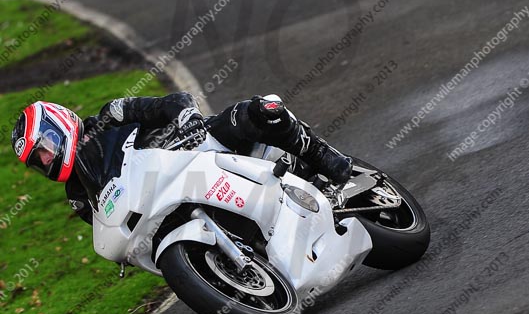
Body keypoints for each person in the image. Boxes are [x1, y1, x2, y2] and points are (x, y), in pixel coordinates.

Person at [11, 95, 352, 226]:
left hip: (200, 147)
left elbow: (169, 102)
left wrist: (186, 117)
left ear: (60, 126)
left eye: (44, 148)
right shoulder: (77, 192)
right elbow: (110, 226)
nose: (45, 160)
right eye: (37, 161)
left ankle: (322, 156)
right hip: (174, 204)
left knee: (257, 112)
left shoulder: (111, 115)